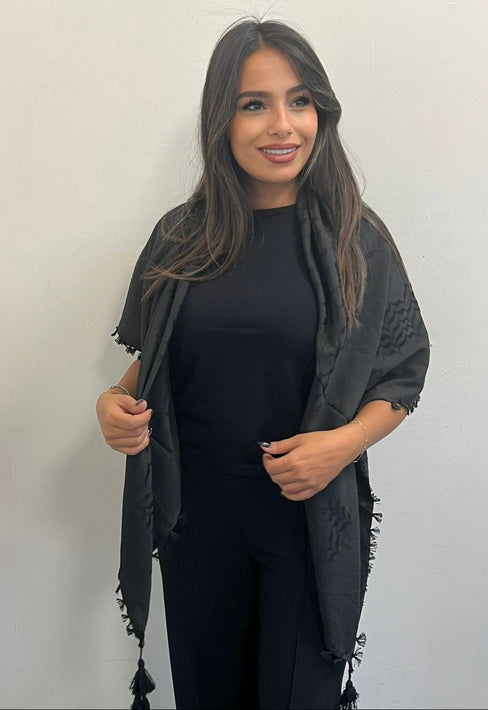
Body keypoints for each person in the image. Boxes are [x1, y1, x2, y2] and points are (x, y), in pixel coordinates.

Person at [96, 17, 430, 710]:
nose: (282, 125)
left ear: (320, 113)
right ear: (221, 118)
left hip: (306, 517)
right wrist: (113, 404)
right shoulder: (179, 237)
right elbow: (155, 358)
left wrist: (342, 445)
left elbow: (401, 373)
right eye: (254, 104)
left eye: (299, 101)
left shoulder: (357, 241)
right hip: (195, 516)